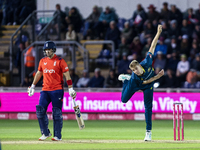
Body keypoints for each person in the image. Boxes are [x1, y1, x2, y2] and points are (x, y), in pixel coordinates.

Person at [118, 25, 164, 141]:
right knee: (123, 100)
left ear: (139, 65)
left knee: (148, 107)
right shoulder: (135, 77)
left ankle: (148, 132)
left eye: (135, 69)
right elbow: (146, 80)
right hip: (137, 84)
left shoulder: (147, 62)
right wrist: (158, 76)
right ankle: (125, 80)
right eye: (133, 70)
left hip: (148, 86)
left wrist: (158, 33)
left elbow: (152, 46)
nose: (135, 71)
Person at [27, 41, 76, 141]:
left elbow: (67, 75)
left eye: (49, 49)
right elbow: (38, 74)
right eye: (46, 50)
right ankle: (45, 133)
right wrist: (32, 86)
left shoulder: (60, 61)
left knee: (57, 113)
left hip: (57, 90)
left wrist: (70, 88)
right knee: (40, 111)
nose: (47, 51)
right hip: (45, 90)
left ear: (53, 50)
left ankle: (57, 135)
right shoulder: (42, 61)